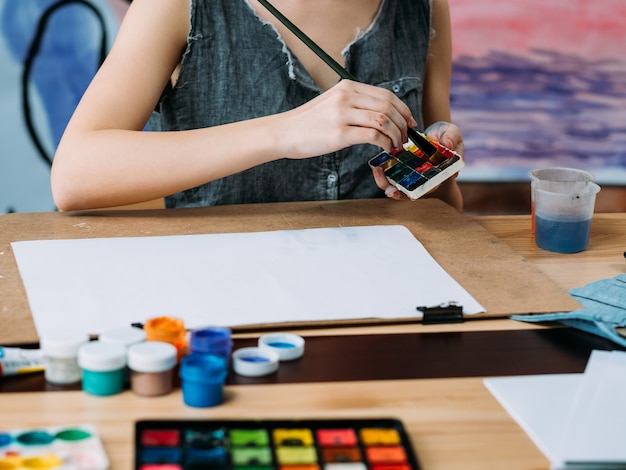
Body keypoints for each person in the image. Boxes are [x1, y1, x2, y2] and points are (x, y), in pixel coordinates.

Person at [51, 0, 464, 212]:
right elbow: (74, 175)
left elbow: (443, 210)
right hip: (218, 298)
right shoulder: (176, 6)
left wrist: (435, 175)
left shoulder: (423, 8)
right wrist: (284, 132)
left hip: (381, 299)